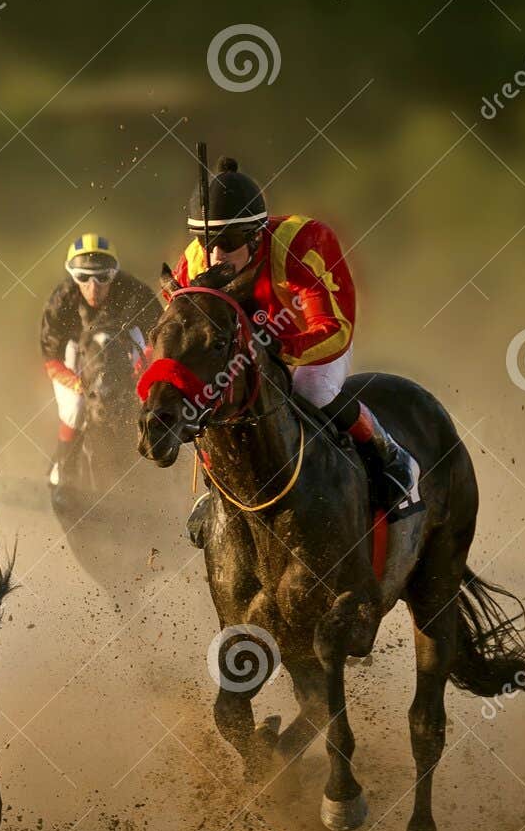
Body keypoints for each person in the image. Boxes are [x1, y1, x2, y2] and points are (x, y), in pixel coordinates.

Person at [173, 157, 420, 544]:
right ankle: (217, 490)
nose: (216, 255)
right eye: (207, 242)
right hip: (249, 346)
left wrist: (278, 346)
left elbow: (333, 329)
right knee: (210, 400)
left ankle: (387, 454)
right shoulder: (193, 263)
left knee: (311, 391)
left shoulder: (303, 243)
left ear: (255, 236)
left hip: (309, 336)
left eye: (229, 243)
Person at [40, 233, 160, 500]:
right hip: (78, 354)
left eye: (102, 278)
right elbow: (50, 356)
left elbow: (160, 332)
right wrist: (77, 384)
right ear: (73, 277)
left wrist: (140, 368)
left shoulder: (135, 292)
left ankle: (160, 463)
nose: (93, 288)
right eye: (83, 278)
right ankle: (64, 464)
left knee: (151, 398)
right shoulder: (62, 300)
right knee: (74, 409)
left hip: (126, 347)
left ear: (114, 275)